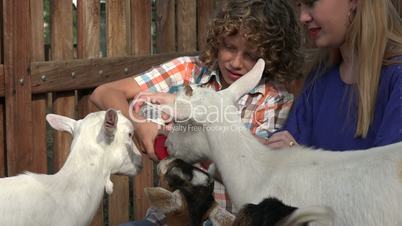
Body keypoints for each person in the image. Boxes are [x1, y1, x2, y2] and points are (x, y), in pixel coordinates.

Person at [90, 0, 302, 225]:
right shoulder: (189, 72)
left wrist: (192, 142)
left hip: (226, 220)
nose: (236, 62)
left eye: (250, 55)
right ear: (218, 40)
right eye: (230, 47)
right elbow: (104, 92)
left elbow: (252, 174)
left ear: (271, 57)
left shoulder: (274, 102)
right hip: (167, 219)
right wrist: (141, 125)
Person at [267, 0, 402, 150]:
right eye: (299, 5)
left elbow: (388, 169)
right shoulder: (319, 76)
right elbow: (283, 146)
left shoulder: (396, 76)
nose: (302, 17)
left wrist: (298, 158)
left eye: (311, 2)